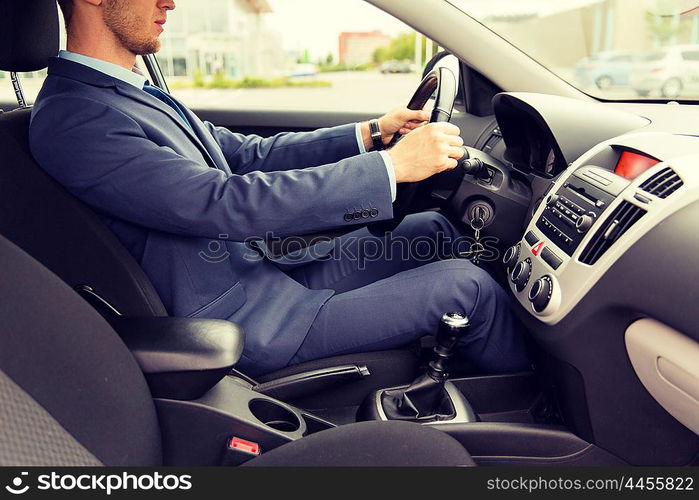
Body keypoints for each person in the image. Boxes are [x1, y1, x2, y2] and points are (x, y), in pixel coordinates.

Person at [29, 0, 529, 376]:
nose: (170, 2)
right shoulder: (76, 119)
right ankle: (537, 417)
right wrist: (390, 169)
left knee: (436, 229)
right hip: (245, 319)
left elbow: (247, 157)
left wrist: (371, 133)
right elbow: (219, 202)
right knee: (469, 290)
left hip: (266, 271)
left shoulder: (124, 94)